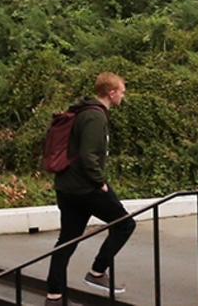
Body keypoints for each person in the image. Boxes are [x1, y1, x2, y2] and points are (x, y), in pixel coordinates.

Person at [45, 73, 135, 304]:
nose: (123, 95)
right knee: (125, 224)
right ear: (111, 92)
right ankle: (97, 272)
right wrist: (100, 182)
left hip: (67, 186)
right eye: (122, 91)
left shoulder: (82, 111)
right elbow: (88, 155)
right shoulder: (95, 116)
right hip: (86, 187)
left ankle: (54, 294)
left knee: (68, 239)